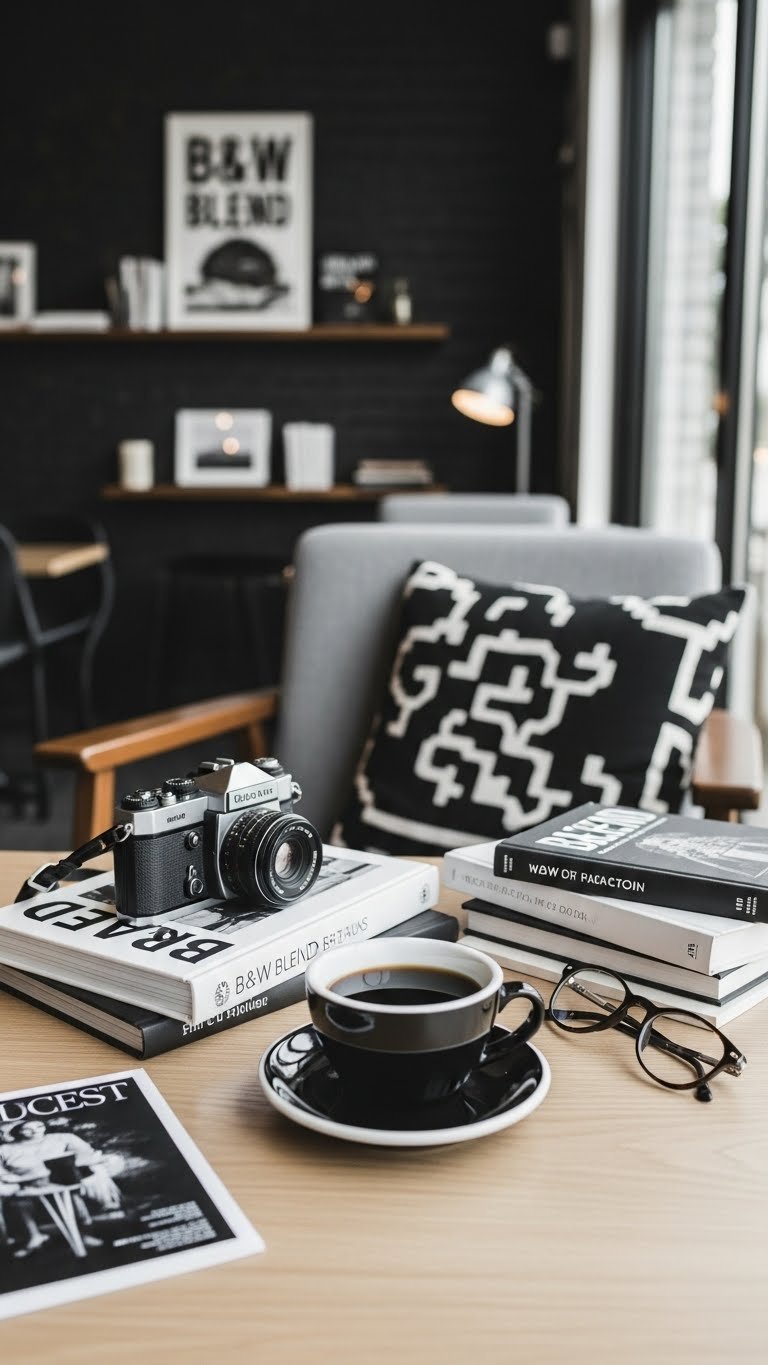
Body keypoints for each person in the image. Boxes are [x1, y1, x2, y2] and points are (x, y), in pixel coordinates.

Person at [0, 1118, 122, 1258]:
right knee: (19, 1201)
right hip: (25, 1183)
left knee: (71, 1194)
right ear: (17, 1131)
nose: (35, 1131)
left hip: (62, 1180)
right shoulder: (5, 1149)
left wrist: (75, 1166)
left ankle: (82, 1235)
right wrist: (11, 1178)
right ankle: (34, 1237)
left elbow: (87, 1154)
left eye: (39, 1126)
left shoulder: (62, 1138)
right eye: (27, 1129)